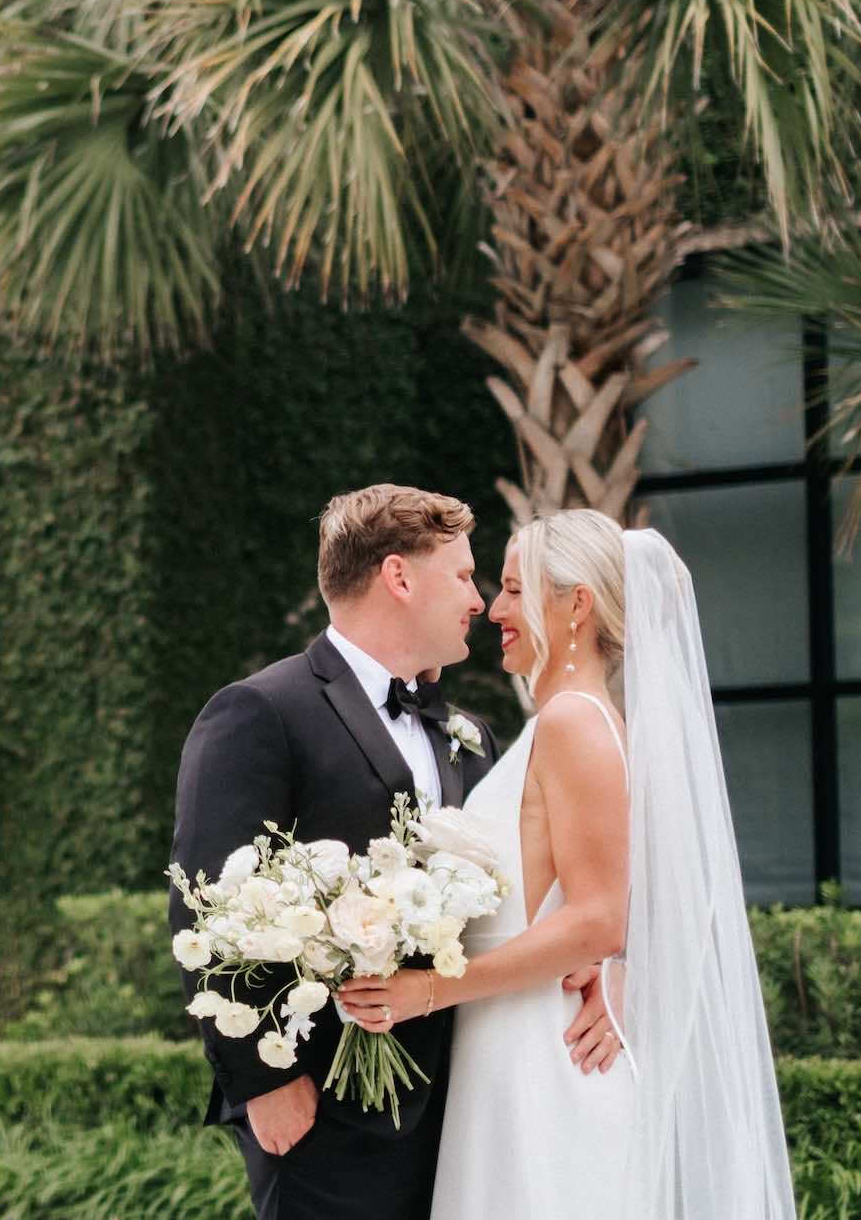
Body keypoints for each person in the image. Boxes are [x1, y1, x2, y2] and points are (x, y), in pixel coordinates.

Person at [168, 485, 623, 1220]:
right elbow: (205, 907)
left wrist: (594, 962)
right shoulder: (262, 711)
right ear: (399, 577)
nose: (478, 602)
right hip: (329, 1111)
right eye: (463, 577)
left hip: (471, 1094)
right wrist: (262, 1082)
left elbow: (531, 880)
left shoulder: (470, 734)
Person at [338, 509, 795, 1219]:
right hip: (509, 1048)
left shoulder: (573, 723)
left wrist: (426, 990)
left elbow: (596, 921)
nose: (495, 609)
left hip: (541, 1061)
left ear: (575, 604)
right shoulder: (577, 723)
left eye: (515, 590)